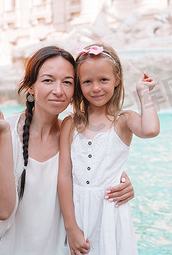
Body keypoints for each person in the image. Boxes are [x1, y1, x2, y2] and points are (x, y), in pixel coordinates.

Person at [0, 46, 135, 254]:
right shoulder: (3, 129)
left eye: (67, 82)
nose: (58, 91)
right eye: (48, 80)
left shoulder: (76, 137)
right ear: (31, 86)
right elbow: (1, 210)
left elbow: (95, 176)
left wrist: (121, 185)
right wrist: (2, 134)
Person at [58, 44, 160, 254]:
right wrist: (70, 227)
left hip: (110, 212)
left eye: (103, 80)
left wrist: (144, 94)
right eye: (87, 82)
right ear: (79, 85)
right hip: (76, 211)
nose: (95, 88)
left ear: (117, 80)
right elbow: (64, 176)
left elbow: (150, 130)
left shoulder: (124, 120)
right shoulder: (70, 123)